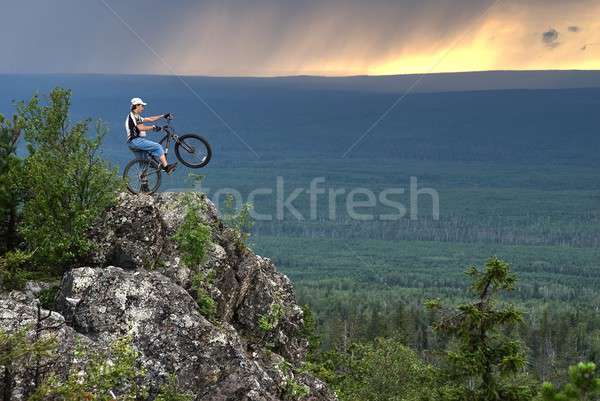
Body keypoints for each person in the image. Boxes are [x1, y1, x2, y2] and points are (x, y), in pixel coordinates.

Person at [126, 97, 177, 174]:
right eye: (142, 106)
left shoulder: (136, 116)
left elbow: (150, 119)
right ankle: (167, 168)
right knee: (158, 146)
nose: (143, 107)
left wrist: (163, 116)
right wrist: (153, 127)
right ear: (136, 106)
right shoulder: (133, 116)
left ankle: (143, 184)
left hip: (132, 143)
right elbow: (141, 128)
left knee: (144, 164)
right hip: (136, 141)